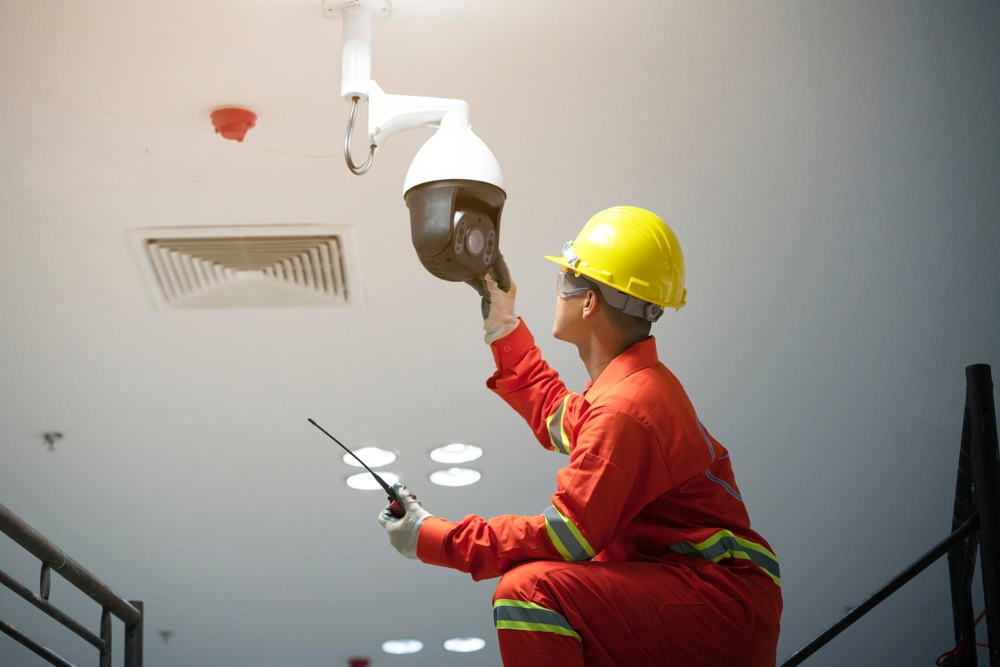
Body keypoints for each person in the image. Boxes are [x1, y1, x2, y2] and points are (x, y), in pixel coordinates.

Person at [379, 206, 782, 666]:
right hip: (706, 599)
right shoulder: (630, 392)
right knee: (567, 593)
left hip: (719, 606)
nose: (558, 290)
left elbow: (567, 534)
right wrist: (503, 325)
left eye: (566, 277)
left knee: (529, 593)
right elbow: (555, 412)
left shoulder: (626, 408)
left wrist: (434, 537)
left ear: (588, 301)